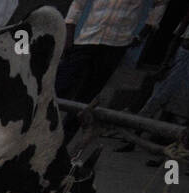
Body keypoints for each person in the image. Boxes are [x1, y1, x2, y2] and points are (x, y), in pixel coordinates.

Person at [58, 0, 169, 128]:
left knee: (86, 97)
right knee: (61, 84)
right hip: (87, 39)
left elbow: (160, 3)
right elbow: (78, 3)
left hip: (116, 45)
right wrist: (69, 32)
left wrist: (145, 31)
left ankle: (64, 137)